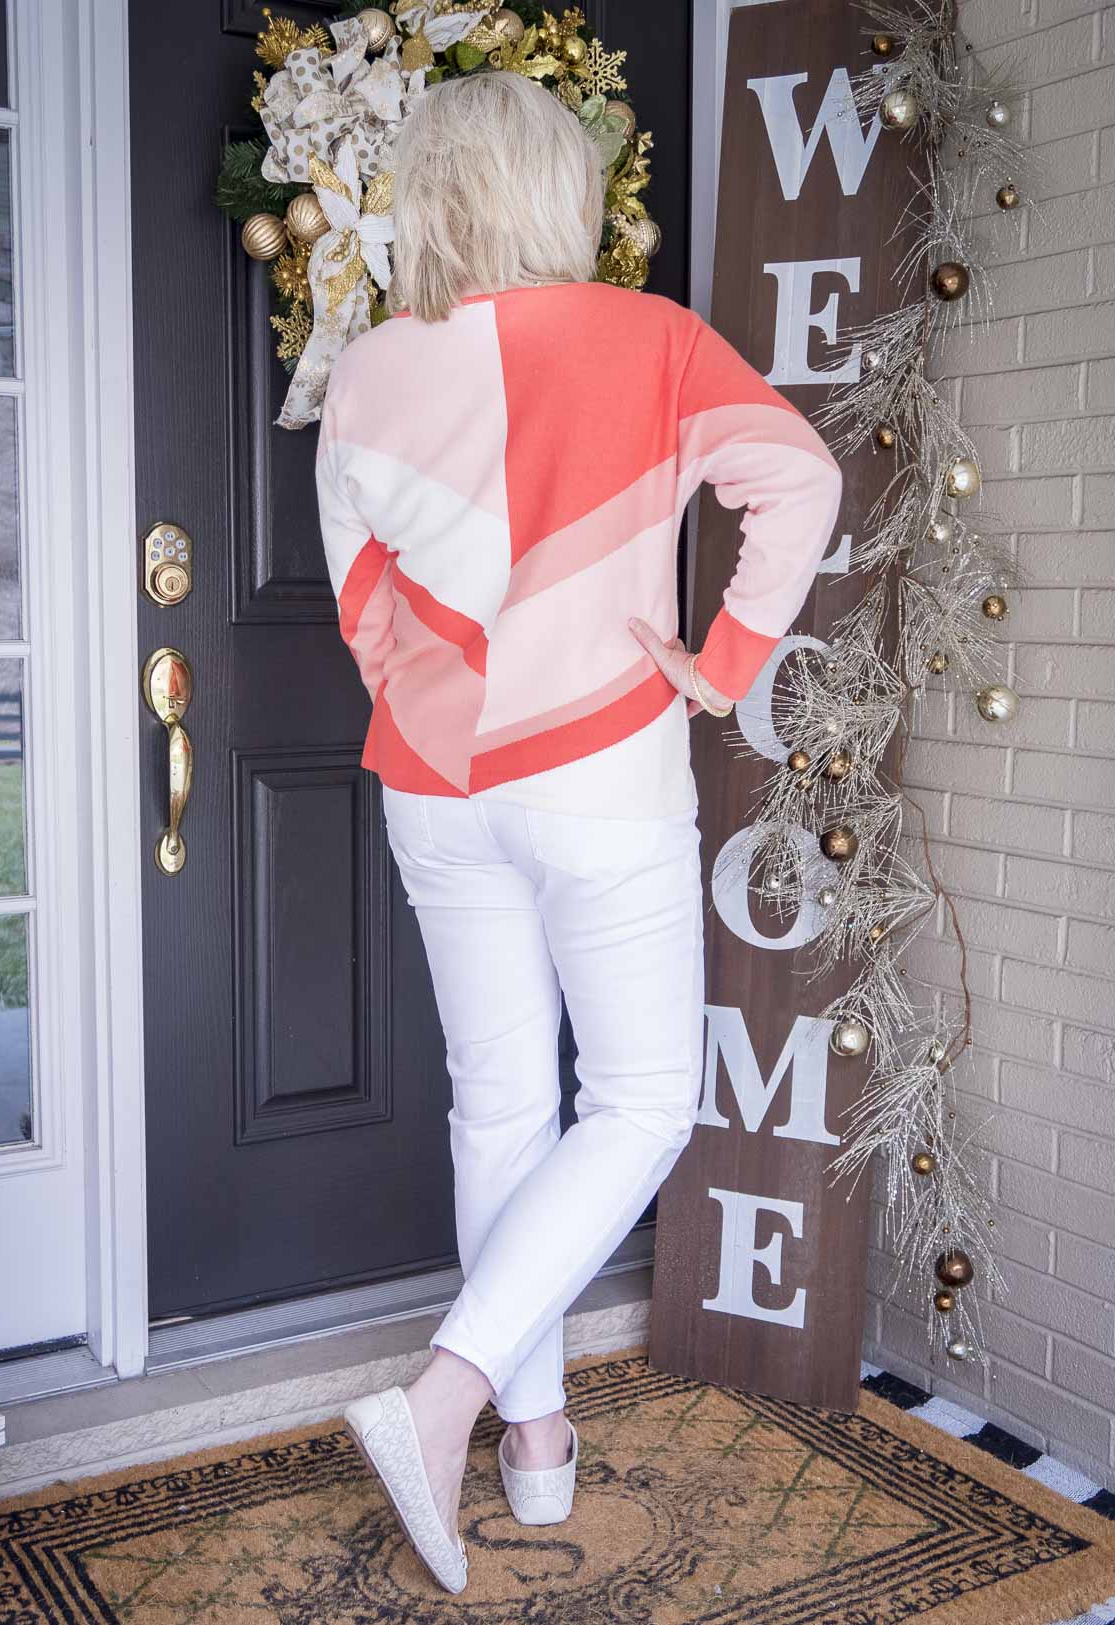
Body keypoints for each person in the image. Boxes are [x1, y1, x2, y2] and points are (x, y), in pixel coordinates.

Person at [316, 70, 842, 1594]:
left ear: (433, 194)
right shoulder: (654, 339)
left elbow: (361, 591)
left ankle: (536, 1445)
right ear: (558, 192)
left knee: (499, 1104)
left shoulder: (367, 366)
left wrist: (427, 698)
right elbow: (798, 478)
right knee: (643, 1100)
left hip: (436, 779)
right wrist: (721, 663)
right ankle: (451, 1397)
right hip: (603, 771)